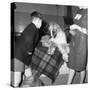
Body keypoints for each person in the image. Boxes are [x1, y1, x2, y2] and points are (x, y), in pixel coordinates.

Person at [27, 22, 69, 86]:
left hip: (60, 51)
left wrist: (51, 42)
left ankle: (40, 69)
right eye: (50, 30)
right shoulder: (56, 33)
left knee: (46, 55)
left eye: (51, 30)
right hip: (55, 48)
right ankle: (37, 68)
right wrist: (48, 41)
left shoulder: (61, 33)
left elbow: (60, 44)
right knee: (40, 50)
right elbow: (52, 39)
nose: (51, 31)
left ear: (55, 28)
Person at [11, 11, 43, 87]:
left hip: (24, 57)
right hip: (19, 56)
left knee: (29, 76)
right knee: (17, 80)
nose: (41, 24)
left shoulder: (31, 27)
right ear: (38, 20)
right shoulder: (33, 27)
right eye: (41, 21)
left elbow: (31, 40)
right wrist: (30, 50)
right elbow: (29, 39)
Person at [67, 6, 88, 84]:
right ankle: (68, 85)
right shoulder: (78, 11)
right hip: (74, 41)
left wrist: (77, 27)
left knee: (81, 66)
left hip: (82, 43)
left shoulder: (87, 12)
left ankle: (81, 84)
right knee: (72, 64)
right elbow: (76, 26)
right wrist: (72, 31)